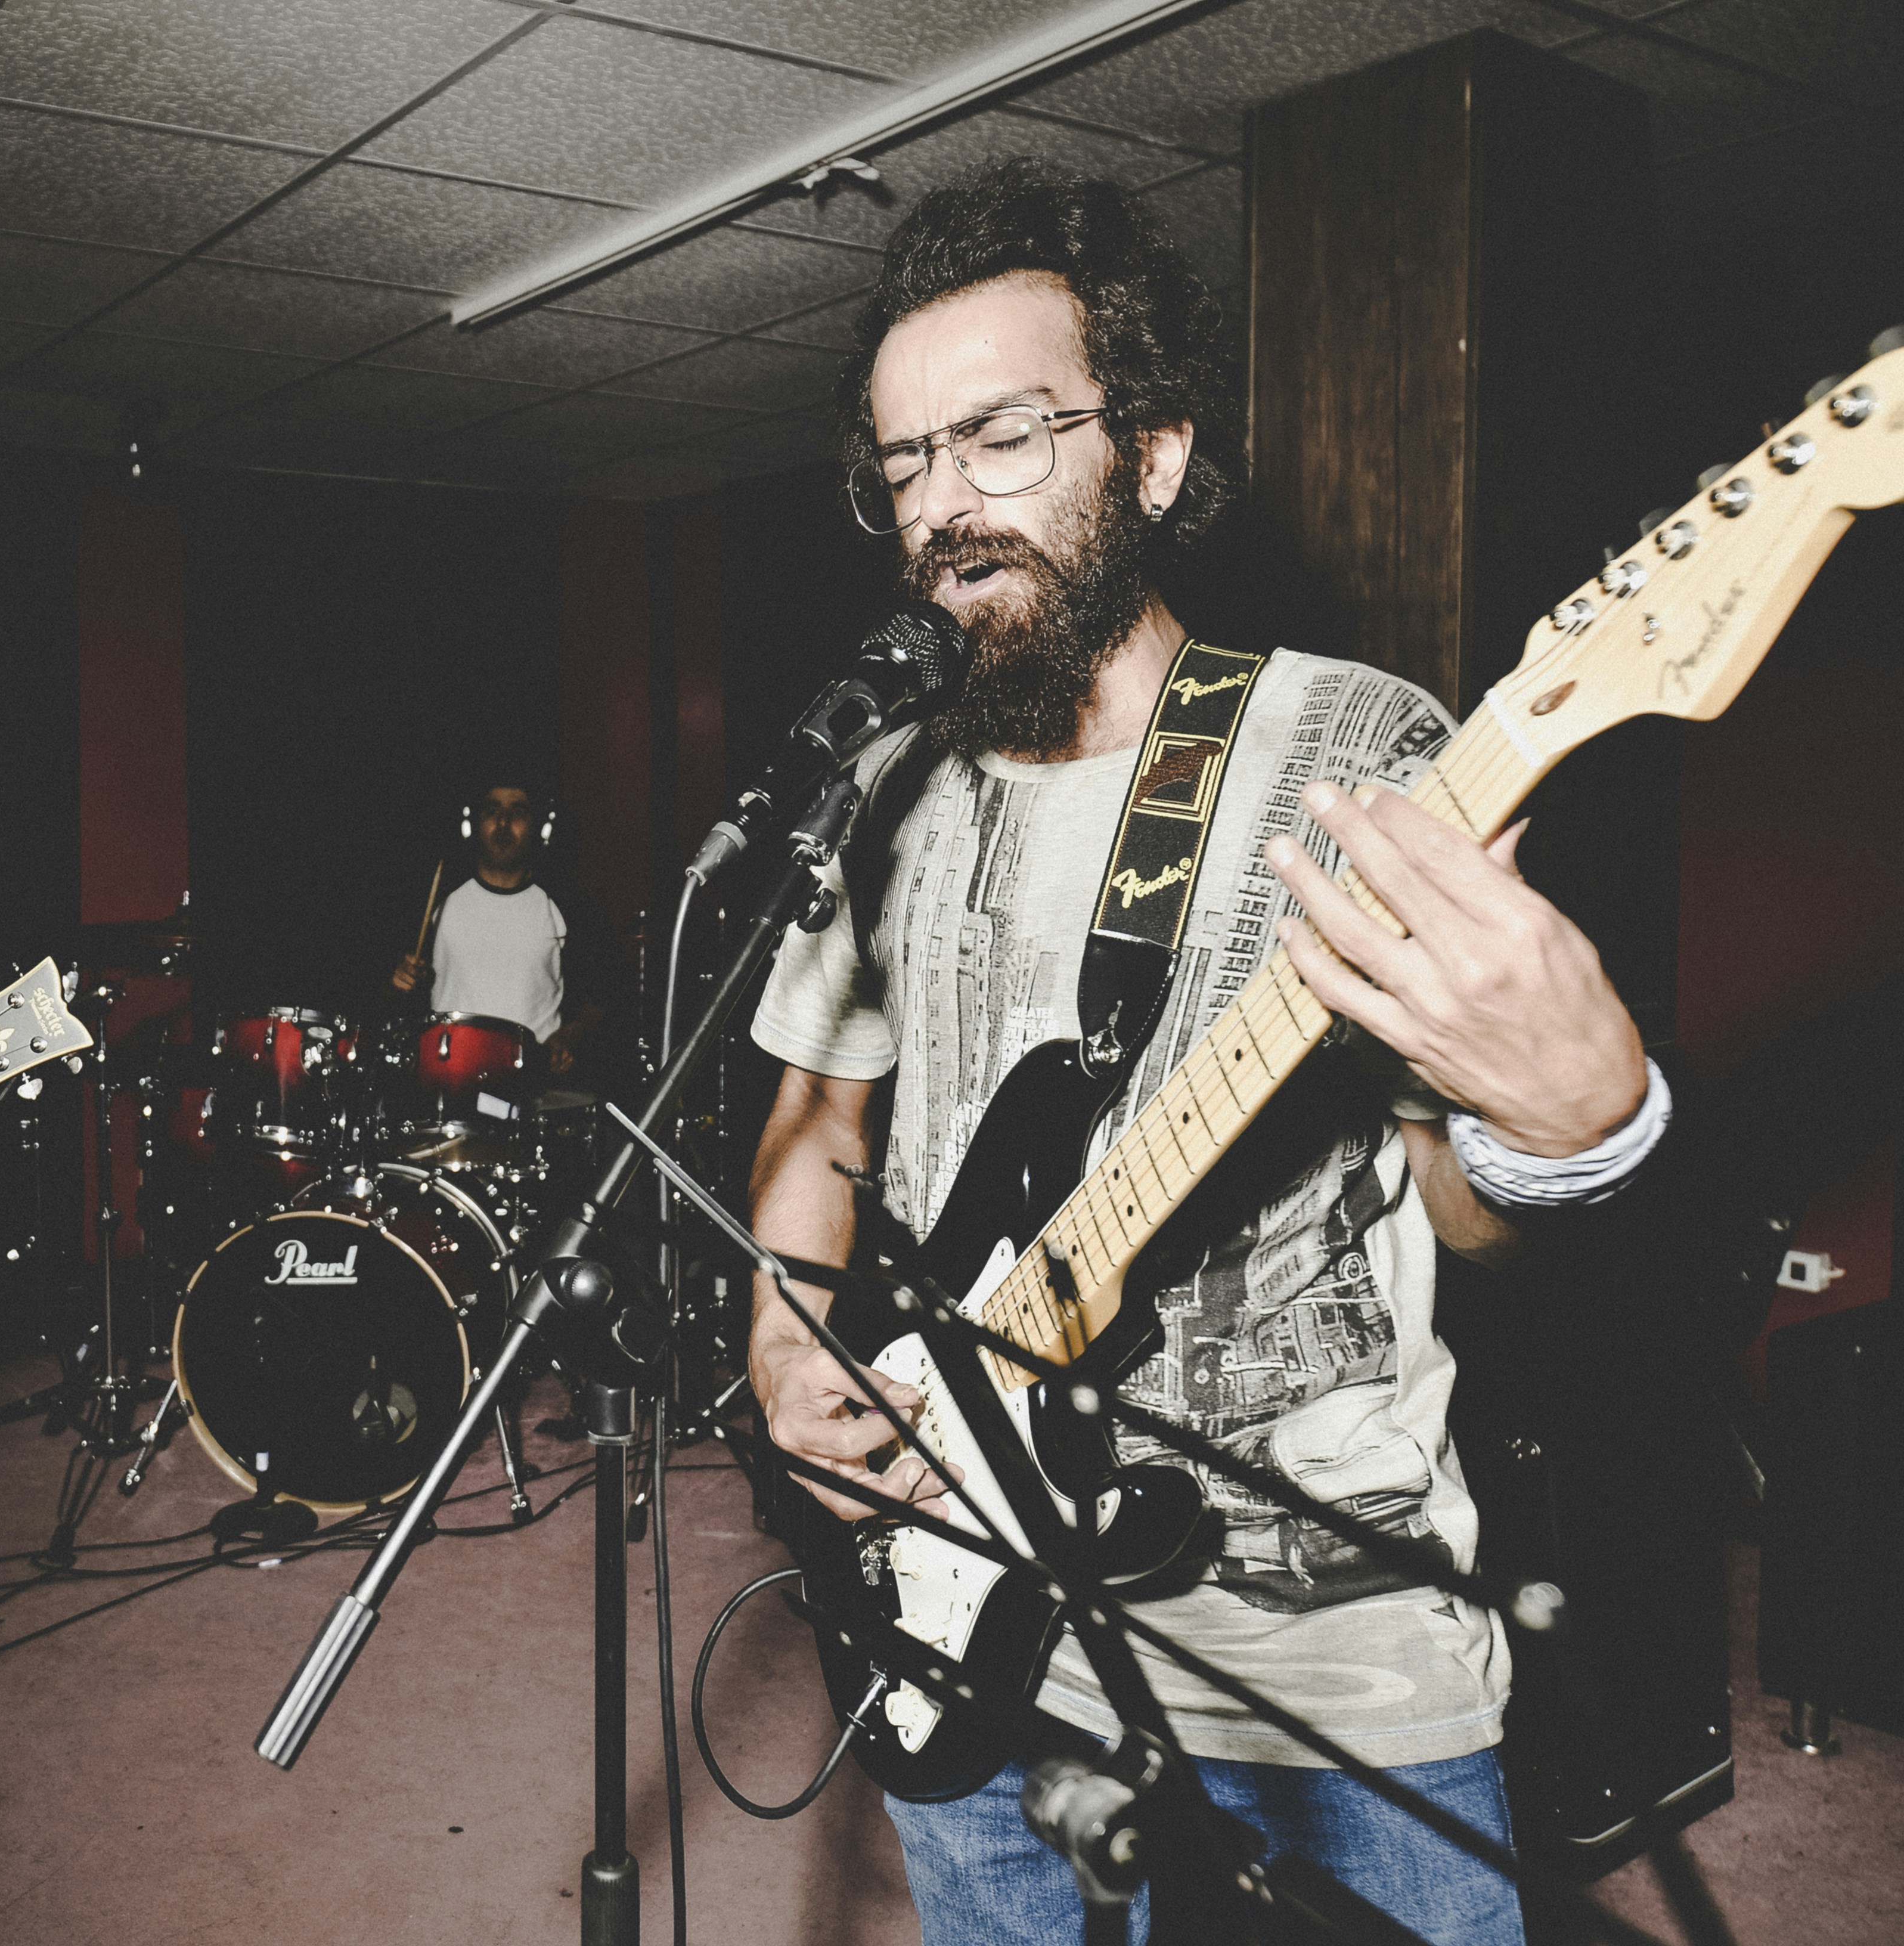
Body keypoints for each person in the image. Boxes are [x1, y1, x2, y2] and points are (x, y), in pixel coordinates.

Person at [745, 160, 1656, 1945]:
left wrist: (1564, 1131)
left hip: (1311, 1627)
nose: (944, 505)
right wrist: (786, 1342)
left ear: (1149, 456)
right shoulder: (876, 786)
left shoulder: (1353, 748)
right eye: (906, 463)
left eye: (998, 438)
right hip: (964, 1554)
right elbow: (814, 1106)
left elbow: (1453, 1205)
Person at [387, 774, 622, 1079]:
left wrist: (567, 1037)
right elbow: (388, 1002)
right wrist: (398, 983)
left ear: (538, 826)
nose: (503, 822)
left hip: (532, 1079)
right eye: (492, 810)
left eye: (519, 812)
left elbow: (603, 996)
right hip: (448, 1073)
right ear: (474, 823)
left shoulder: (567, 904)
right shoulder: (437, 900)